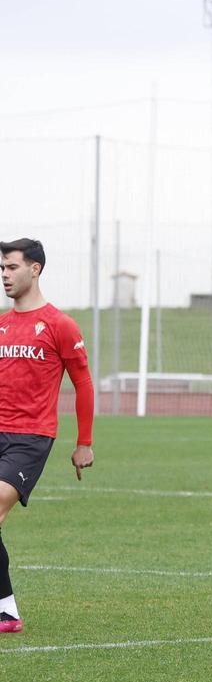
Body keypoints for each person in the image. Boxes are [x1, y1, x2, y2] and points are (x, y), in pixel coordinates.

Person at [0, 238, 95, 634]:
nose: (5, 275)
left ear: (35, 269)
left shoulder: (59, 324)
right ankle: (6, 612)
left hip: (30, 438)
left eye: (12, 267)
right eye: (2, 269)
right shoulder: (2, 324)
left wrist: (84, 441)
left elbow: (83, 382)